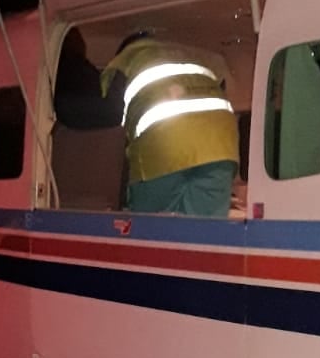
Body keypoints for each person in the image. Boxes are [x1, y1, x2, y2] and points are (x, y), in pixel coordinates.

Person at [99, 30, 238, 217]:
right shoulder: (188, 56)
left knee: (151, 229)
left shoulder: (125, 61)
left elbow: (110, 114)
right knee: (205, 231)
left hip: (165, 148)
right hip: (221, 148)